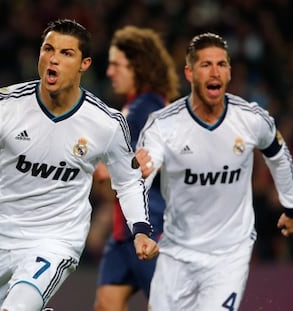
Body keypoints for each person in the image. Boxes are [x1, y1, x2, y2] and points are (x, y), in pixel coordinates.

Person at [0, 19, 159, 311]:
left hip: (55, 240)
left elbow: (127, 180)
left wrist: (141, 230)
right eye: (48, 49)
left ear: (84, 64)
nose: (53, 58)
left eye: (66, 53)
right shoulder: (4, 105)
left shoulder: (105, 123)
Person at [135, 32, 293, 311]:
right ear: (190, 73)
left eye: (222, 64)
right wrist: (141, 225)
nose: (215, 71)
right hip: (177, 251)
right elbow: (141, 175)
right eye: (206, 65)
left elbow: (277, 154)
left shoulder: (251, 119)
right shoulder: (164, 125)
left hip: (229, 253)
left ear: (228, 72)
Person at [91, 25, 179, 311]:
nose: (109, 72)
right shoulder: (138, 107)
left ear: (138, 68)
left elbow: (111, 166)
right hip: (124, 233)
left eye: (117, 65)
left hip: (153, 228)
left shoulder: (144, 108)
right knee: (106, 304)